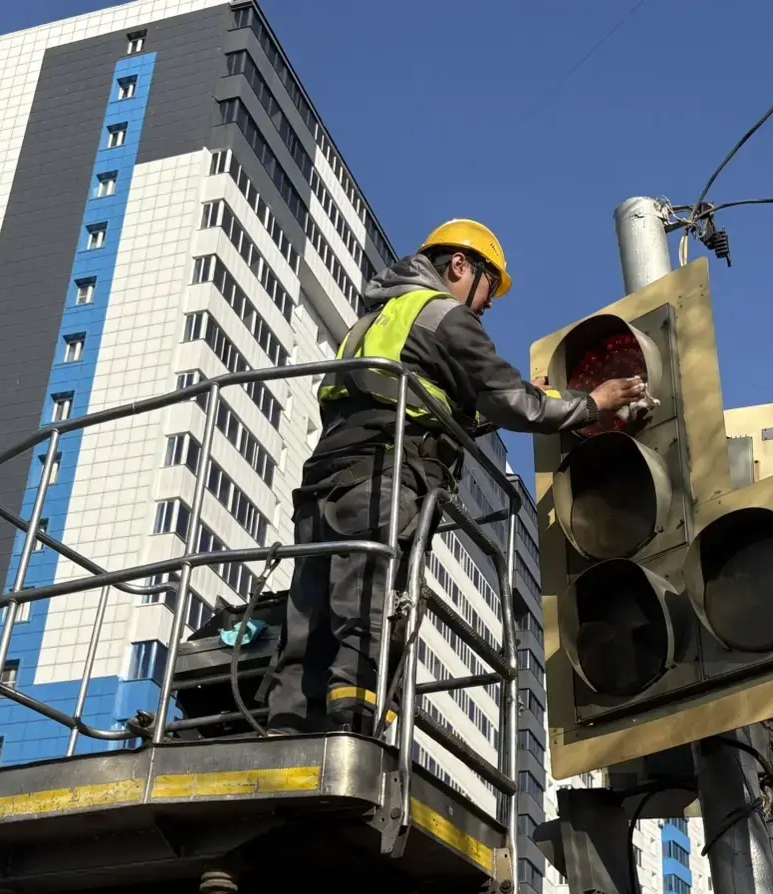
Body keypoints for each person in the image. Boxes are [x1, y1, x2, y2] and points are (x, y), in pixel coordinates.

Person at [265, 220, 646, 735]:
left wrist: (491, 409)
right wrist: (590, 404)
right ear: (462, 266)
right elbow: (513, 401)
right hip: (383, 475)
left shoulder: (373, 320)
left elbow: (419, 400)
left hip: (324, 480)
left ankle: (288, 732)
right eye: (491, 285)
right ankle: (357, 733)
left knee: (309, 619)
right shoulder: (444, 314)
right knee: (371, 608)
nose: (489, 303)